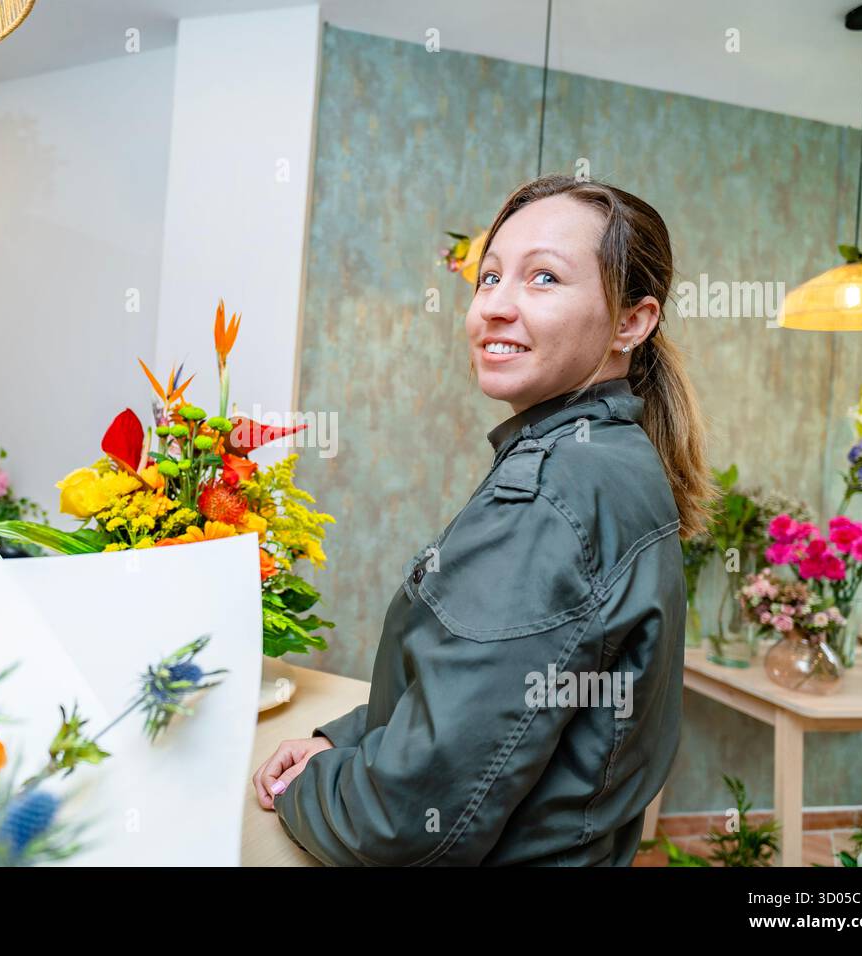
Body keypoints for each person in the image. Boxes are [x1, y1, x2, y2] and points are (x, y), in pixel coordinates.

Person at [251, 174, 715, 866]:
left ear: (632, 322)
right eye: (490, 277)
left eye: (544, 279)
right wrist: (342, 738)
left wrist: (308, 785)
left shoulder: (551, 492)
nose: (494, 306)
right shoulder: (611, 456)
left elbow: (406, 823)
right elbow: (493, 702)